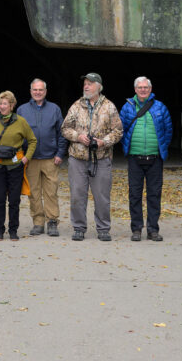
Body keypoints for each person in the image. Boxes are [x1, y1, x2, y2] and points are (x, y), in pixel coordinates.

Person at [62, 73, 122, 242]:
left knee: (102, 196)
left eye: (90, 83)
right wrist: (78, 137)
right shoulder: (76, 106)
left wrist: (103, 142)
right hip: (77, 158)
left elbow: (118, 131)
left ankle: (103, 228)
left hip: (101, 158)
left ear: (99, 87)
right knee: (77, 195)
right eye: (85, 84)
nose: (86, 86)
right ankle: (79, 228)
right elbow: (65, 128)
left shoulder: (109, 107)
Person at [119, 76, 173, 242]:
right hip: (134, 158)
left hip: (155, 158)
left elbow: (168, 130)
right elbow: (120, 129)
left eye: (146, 87)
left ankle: (153, 229)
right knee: (134, 195)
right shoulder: (127, 107)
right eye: (140, 87)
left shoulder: (160, 107)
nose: (143, 90)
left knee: (154, 195)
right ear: (135, 89)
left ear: (150, 89)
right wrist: (127, 147)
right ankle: (136, 229)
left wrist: (161, 148)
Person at [0, 91, 36, 241]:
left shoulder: (21, 121)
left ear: (12, 105)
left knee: (14, 200)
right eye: (0, 103)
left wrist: (26, 158)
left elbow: (32, 140)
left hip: (15, 166)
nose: (2, 106)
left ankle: (13, 230)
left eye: (5, 104)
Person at [17, 79, 66, 237]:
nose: (37, 92)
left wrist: (60, 153)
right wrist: (21, 155)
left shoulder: (54, 109)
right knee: (34, 192)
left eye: (40, 90)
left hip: (50, 158)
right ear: (30, 91)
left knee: (51, 191)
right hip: (30, 159)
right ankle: (38, 222)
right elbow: (17, 135)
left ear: (45, 91)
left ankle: (52, 221)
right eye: (35, 90)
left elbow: (62, 133)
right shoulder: (22, 110)